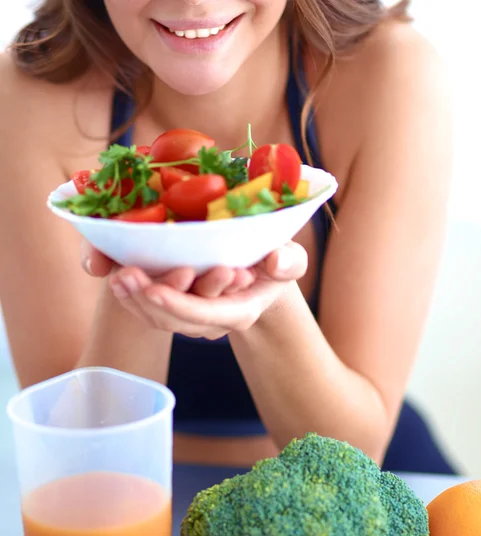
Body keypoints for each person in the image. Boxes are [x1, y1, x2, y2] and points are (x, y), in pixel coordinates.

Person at [0, 0, 456, 473]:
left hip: (371, 488)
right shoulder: (28, 89)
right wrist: (139, 264)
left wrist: (269, 301)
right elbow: (75, 460)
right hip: (137, 501)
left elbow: (353, 459)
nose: (193, 3)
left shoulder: (393, 72)